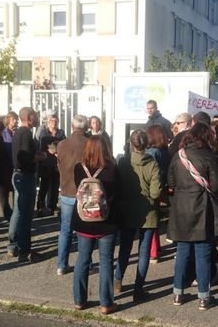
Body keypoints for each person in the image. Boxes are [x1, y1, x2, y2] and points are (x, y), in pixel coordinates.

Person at [167, 122, 218, 311]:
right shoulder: (208, 156)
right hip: (202, 208)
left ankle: (178, 293)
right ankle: (204, 297)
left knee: (182, 252)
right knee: (203, 253)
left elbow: (170, 181)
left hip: (181, 208)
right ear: (207, 136)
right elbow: (216, 185)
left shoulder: (178, 154)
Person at [72, 135, 120, 315]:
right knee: (106, 261)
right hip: (105, 222)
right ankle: (106, 303)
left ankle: (79, 300)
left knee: (82, 260)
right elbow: (116, 197)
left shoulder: (79, 168)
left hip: (83, 220)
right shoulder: (112, 169)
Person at [115, 129, 161, 302]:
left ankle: (117, 280)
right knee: (144, 252)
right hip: (148, 213)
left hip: (127, 211)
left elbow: (118, 186)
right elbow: (156, 194)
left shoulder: (123, 162)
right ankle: (138, 289)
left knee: (125, 249)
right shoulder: (153, 164)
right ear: (146, 145)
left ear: (131, 144)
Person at [7, 107, 45, 262]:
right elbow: (25, 157)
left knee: (18, 212)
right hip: (25, 176)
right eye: (35, 116)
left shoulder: (18, 133)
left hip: (18, 175)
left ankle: (13, 246)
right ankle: (24, 250)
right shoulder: (26, 133)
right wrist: (40, 156)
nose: (37, 118)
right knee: (25, 215)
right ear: (29, 118)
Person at [56, 115, 88, 275]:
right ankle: (84, 265)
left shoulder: (61, 144)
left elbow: (59, 166)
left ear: (72, 126)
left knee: (65, 229)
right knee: (84, 230)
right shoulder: (90, 144)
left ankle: (61, 264)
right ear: (86, 127)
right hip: (84, 192)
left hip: (66, 190)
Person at [145, 124, 172, 263]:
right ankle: (157, 248)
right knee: (156, 218)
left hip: (153, 189)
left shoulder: (151, 153)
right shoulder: (165, 151)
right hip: (164, 187)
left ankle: (153, 251)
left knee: (151, 221)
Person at [35, 111, 66, 217]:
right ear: (47, 122)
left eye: (55, 121)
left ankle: (52, 206)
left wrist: (55, 149)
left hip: (57, 163)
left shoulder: (61, 133)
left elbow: (64, 145)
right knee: (44, 186)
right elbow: (42, 147)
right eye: (51, 121)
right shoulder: (44, 133)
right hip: (46, 163)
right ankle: (40, 207)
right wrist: (51, 149)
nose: (54, 122)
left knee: (55, 186)